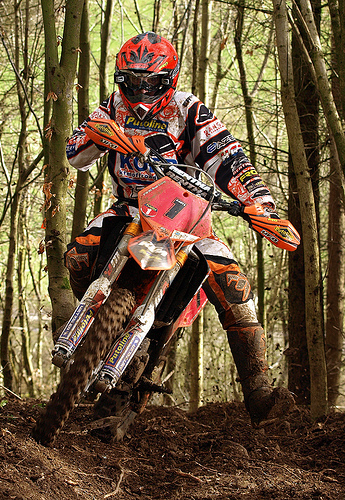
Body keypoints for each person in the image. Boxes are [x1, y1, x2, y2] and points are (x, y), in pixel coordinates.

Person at [65, 32, 294, 425]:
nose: (140, 90)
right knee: (78, 255)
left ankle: (260, 394)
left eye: (150, 81)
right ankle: (93, 331)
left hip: (188, 216)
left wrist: (261, 204)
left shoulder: (189, 111)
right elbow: (75, 154)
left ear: (168, 79)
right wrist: (94, 134)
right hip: (131, 208)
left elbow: (230, 158)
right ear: (120, 79)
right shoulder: (113, 106)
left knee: (235, 286)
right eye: (131, 81)